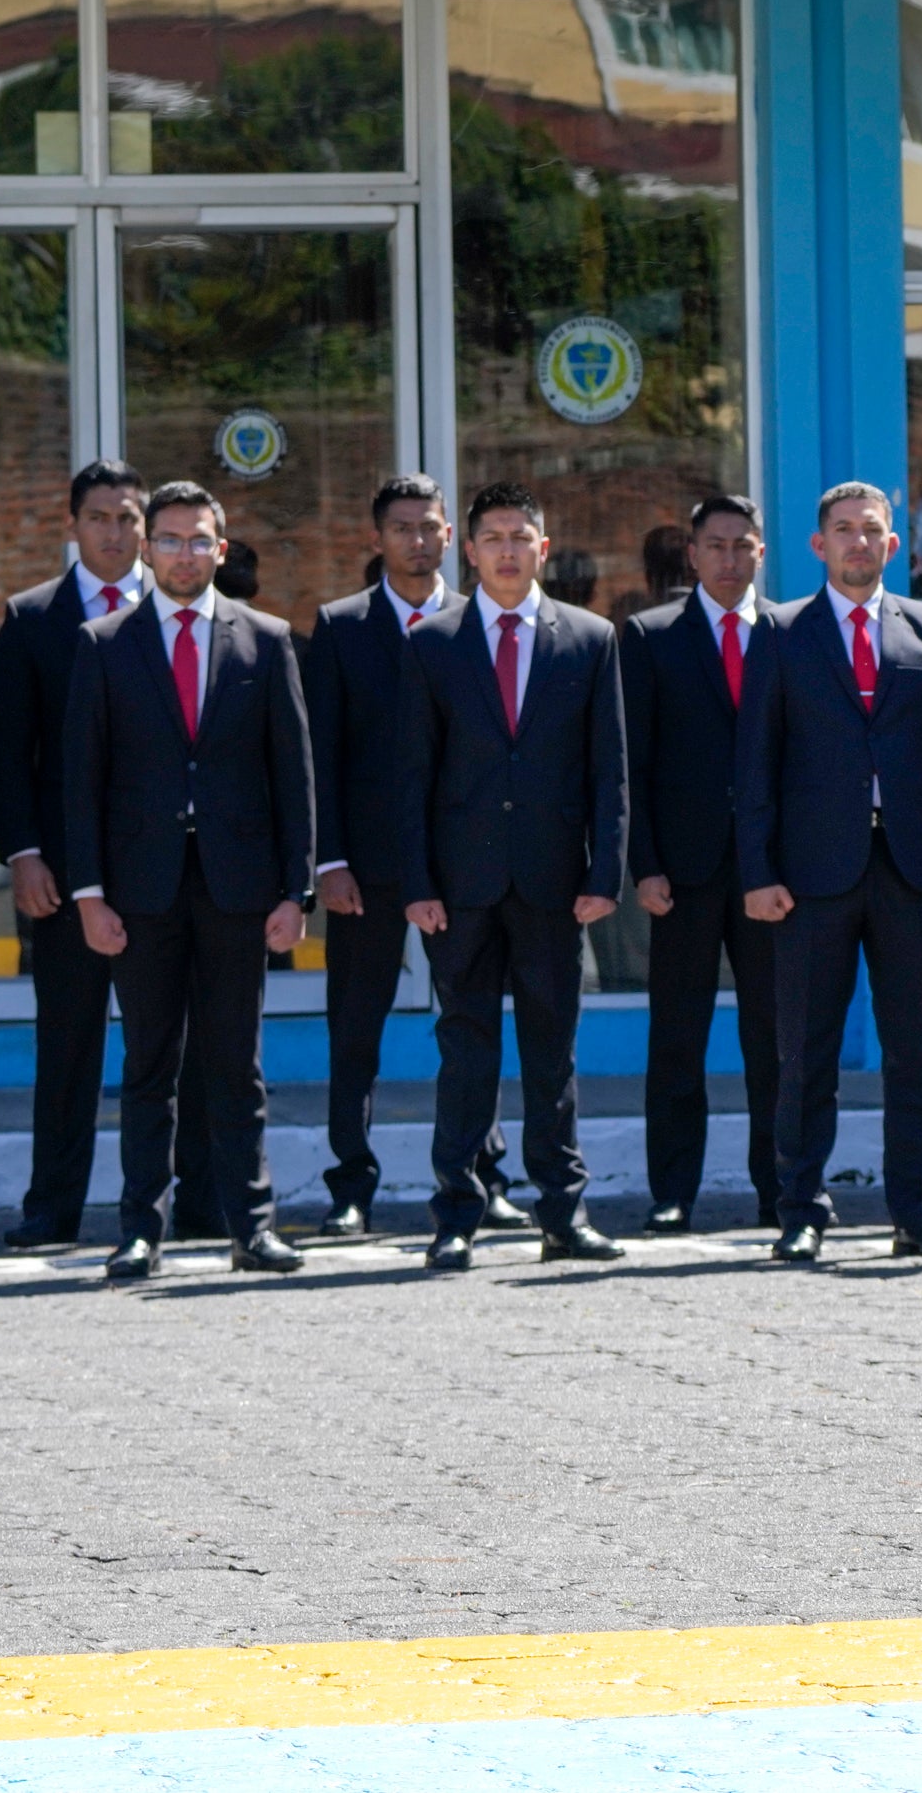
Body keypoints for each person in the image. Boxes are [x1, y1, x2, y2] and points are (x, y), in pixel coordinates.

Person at [64, 483, 315, 1281]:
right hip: (140, 892)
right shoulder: (102, 642)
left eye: (197, 540)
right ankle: (141, 1228)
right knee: (147, 1064)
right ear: (147, 548)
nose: (182, 553)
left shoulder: (266, 639)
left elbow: (295, 775)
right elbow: (83, 781)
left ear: (222, 546)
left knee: (237, 1064)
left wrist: (294, 891)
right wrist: (90, 893)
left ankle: (253, 1224)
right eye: (167, 539)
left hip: (241, 888)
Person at [732, 480, 922, 1265]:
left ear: (893, 543)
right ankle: (801, 1209)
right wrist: (758, 870)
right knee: (805, 1050)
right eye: (842, 530)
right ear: (817, 545)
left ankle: (917, 1208)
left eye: (871, 530)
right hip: (811, 875)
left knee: (915, 1050)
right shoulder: (780, 632)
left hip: (911, 870)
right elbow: (756, 766)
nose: (856, 542)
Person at [397, 482, 629, 1268]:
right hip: (460, 886)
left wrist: (606, 872)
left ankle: (562, 1213)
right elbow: (413, 774)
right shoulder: (432, 642)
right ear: (469, 550)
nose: (504, 549)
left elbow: (610, 771)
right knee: (464, 1050)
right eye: (490, 536)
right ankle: (456, 1211)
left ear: (543, 544)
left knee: (551, 1055)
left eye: (518, 535)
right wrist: (418, 881)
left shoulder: (590, 639)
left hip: (554, 882)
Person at [0, 460, 151, 1251]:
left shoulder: (185, 606)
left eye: (127, 517)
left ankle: (184, 1205)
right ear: (72, 525)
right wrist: (22, 852)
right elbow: (10, 752)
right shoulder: (31, 619)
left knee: (177, 1044)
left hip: (169, 868)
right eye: (98, 518)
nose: (114, 533)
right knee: (68, 1041)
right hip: (64, 872)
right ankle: (53, 1206)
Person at [619, 492, 782, 1233]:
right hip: (680, 874)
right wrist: (643, 863)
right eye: (714, 545)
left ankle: (781, 1185)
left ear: (761, 553)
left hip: (772, 872)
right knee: (677, 1037)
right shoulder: (650, 637)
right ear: (691, 555)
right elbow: (633, 765)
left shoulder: (791, 634)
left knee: (773, 1037)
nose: (728, 558)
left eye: (742, 545)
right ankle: (672, 1188)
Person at [303, 474, 459, 1237]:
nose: (417, 540)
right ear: (377, 538)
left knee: (468, 1025)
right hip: (364, 865)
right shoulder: (339, 627)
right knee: (354, 1029)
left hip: (462, 862)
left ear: (449, 534)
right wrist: (327, 859)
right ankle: (351, 1185)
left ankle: (476, 1171)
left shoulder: (476, 621)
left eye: (429, 526)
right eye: (402, 527)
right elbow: (318, 757)